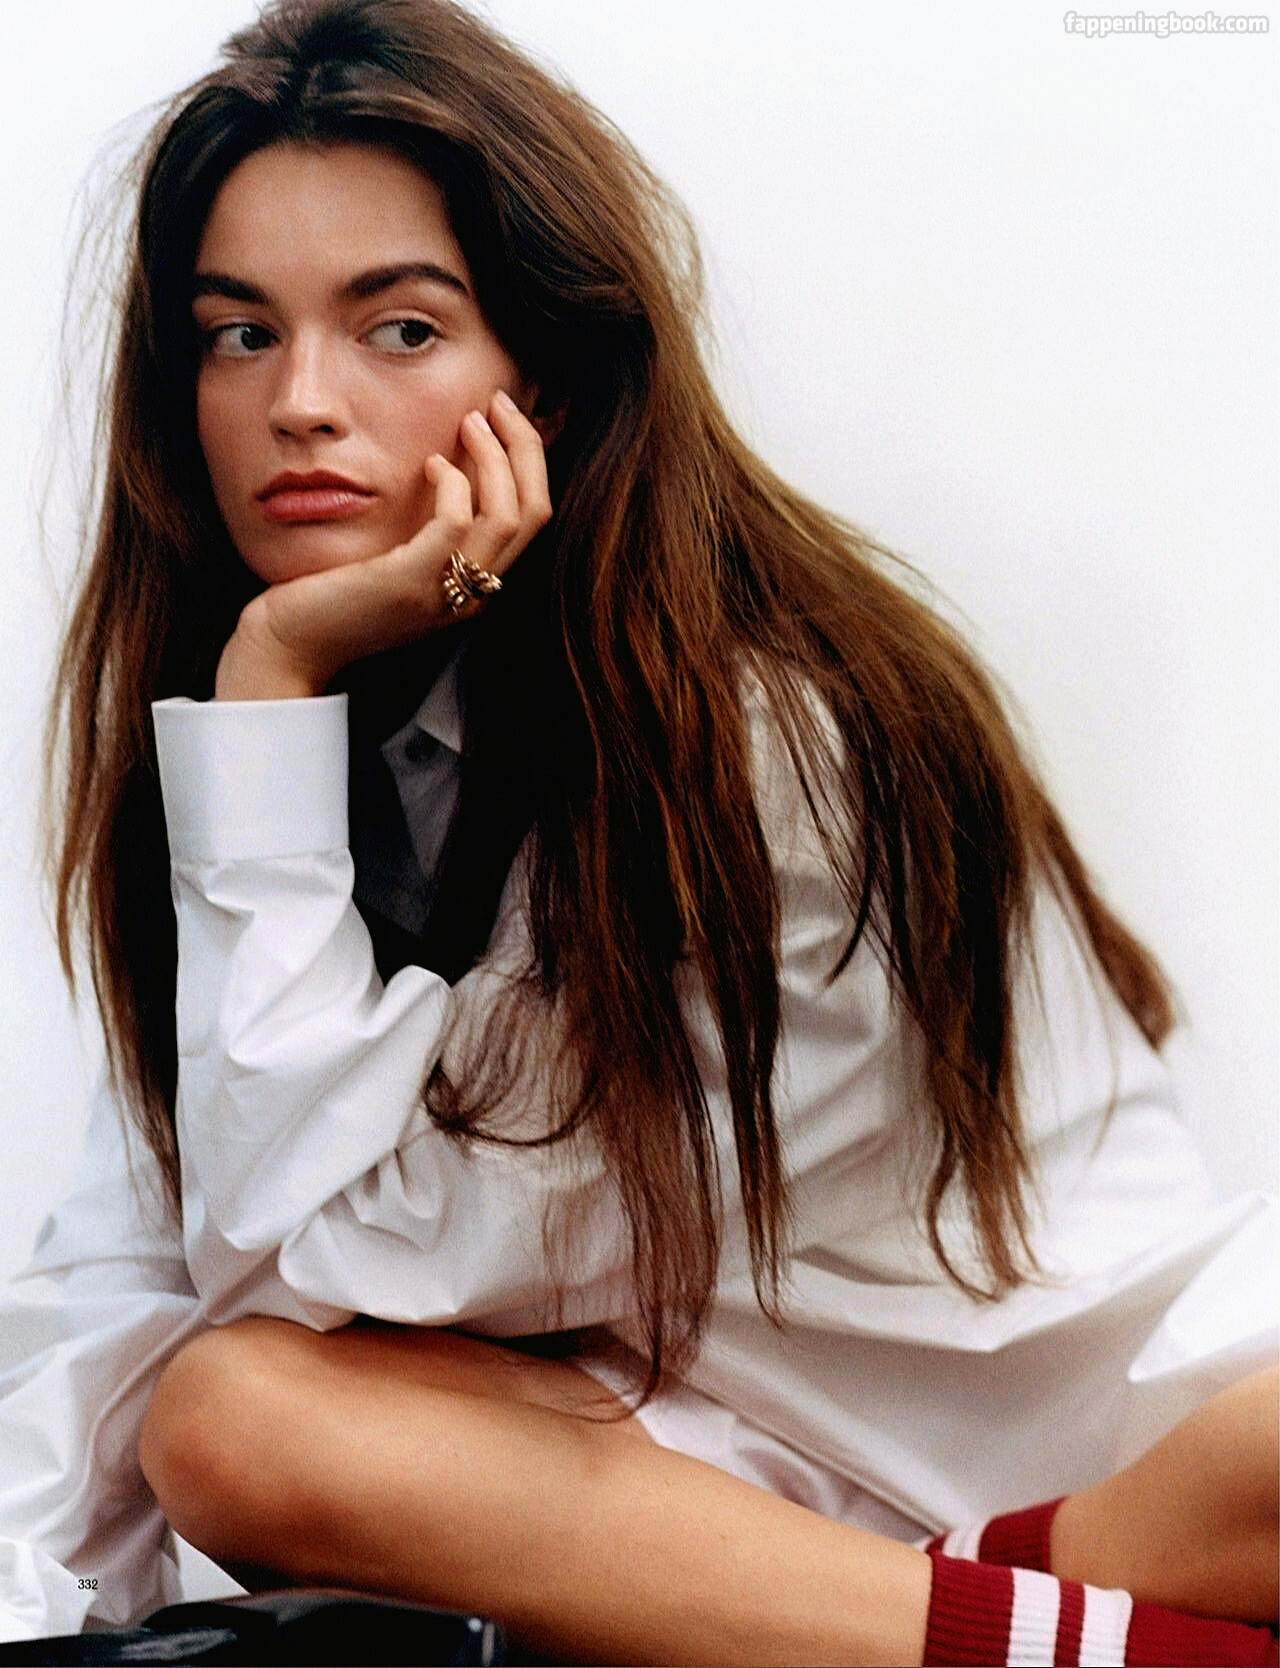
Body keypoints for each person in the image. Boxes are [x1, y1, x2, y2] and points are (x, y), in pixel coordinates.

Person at [0, 0, 1274, 1661]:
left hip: (1108, 1447)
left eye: (399, 328)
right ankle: (1039, 1628)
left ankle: (1038, 1600)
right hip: (718, 1492)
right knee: (232, 1419)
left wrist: (270, 696)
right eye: (238, 333)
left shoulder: (775, 737)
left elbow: (313, 1259)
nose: (300, 401)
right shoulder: (280, 743)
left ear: (547, 372)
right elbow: (145, 1268)